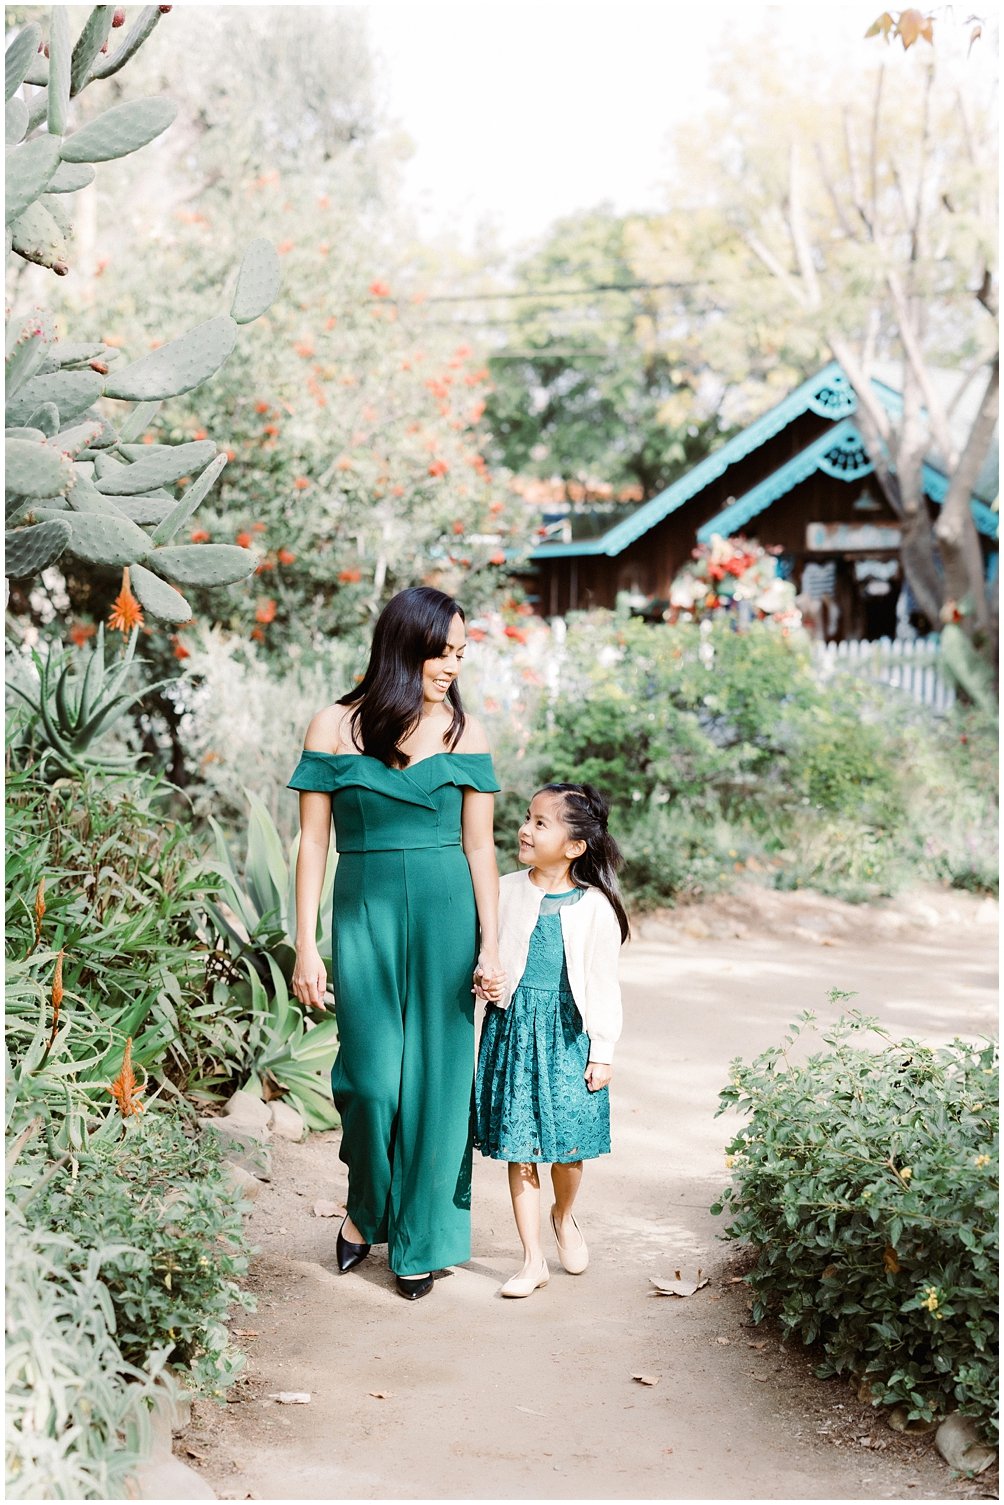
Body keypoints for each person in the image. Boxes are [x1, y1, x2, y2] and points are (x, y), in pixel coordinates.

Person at [288, 586, 502, 1301]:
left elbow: (482, 848)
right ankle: (366, 1205)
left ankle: (417, 1240)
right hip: (366, 915)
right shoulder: (332, 725)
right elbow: (313, 840)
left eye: (461, 653)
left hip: (447, 917)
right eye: (441, 651)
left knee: (438, 1090)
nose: (452, 666)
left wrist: (491, 945)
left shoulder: (465, 733)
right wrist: (305, 945)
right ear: (402, 646)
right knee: (373, 1085)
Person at [474, 783, 628, 1298]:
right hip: (515, 1027)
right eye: (527, 818)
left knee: (567, 1149)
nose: (525, 828)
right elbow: (489, 954)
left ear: (574, 846)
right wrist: (486, 977)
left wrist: (602, 1052)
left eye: (541, 823)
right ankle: (532, 1258)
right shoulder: (506, 888)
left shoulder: (595, 907)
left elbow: (604, 985)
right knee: (521, 1147)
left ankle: (564, 1215)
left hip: (568, 1034)